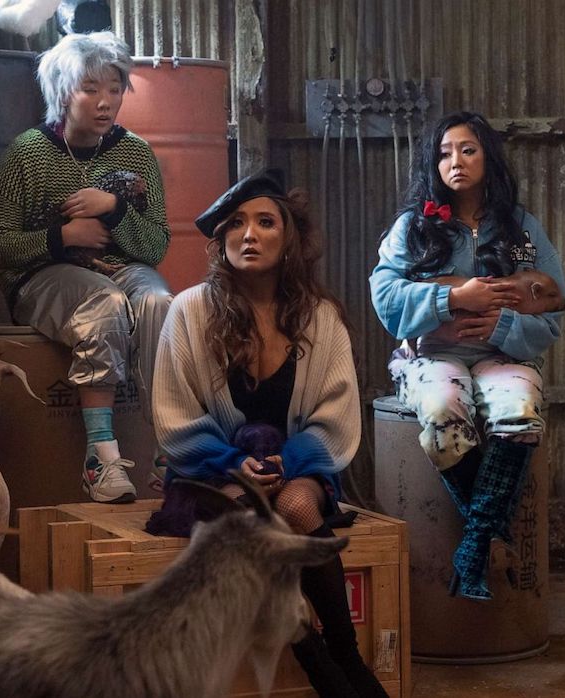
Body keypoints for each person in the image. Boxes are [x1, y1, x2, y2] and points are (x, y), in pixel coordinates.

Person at [150, 169, 387, 698]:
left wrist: (290, 462)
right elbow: (174, 413)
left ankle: (345, 651)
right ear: (222, 239)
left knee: (300, 511)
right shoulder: (189, 311)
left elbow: (337, 412)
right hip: (215, 472)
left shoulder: (321, 318)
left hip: (294, 467)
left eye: (265, 222)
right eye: (236, 224)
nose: (249, 234)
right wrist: (233, 462)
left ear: (290, 238)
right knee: (250, 521)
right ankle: (321, 663)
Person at [369, 111, 565, 601]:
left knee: (519, 412)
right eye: (443, 153)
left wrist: (502, 324)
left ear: (488, 158)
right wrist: (455, 298)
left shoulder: (521, 229)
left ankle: (474, 545)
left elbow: (553, 309)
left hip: (503, 354)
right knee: (442, 410)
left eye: (467, 150)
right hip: (433, 353)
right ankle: (489, 538)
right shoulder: (414, 227)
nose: (454, 161)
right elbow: (386, 298)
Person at [0, 31, 172, 504]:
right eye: (91, 90)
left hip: (123, 269)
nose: (106, 102)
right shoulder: (27, 153)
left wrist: (113, 208)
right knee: (104, 303)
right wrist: (62, 236)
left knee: (160, 302)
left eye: (114, 88)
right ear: (63, 92)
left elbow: (156, 246)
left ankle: (168, 450)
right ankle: (100, 460)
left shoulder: (137, 154)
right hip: (43, 277)